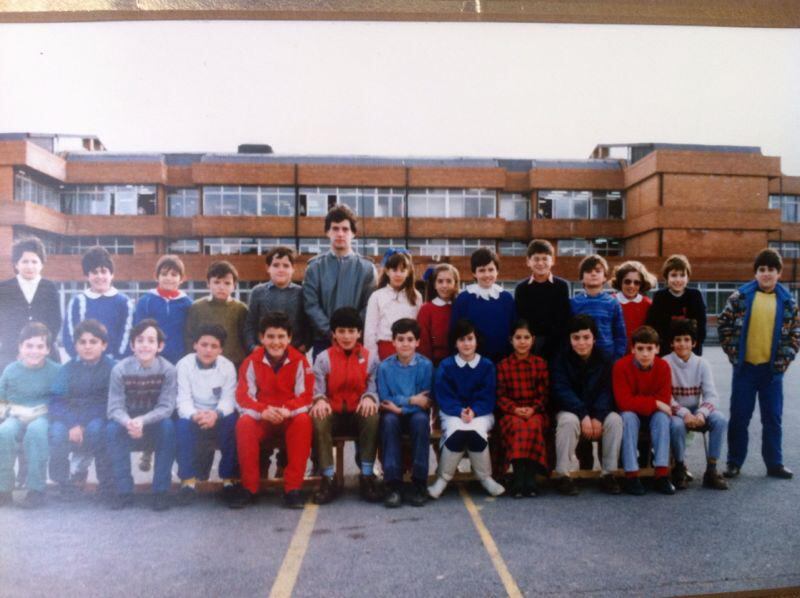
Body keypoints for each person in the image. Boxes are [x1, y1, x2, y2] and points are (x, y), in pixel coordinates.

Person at [718, 248, 800, 480]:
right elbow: (724, 325)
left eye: (771, 270)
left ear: (779, 273)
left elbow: (795, 334)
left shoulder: (788, 302)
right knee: (740, 416)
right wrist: (734, 355)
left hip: (772, 372)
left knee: (772, 417)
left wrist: (783, 362)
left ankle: (774, 463)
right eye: (761, 270)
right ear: (755, 273)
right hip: (745, 369)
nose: (766, 274)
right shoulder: (740, 297)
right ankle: (734, 462)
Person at [232, 312, 314, 509]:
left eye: (280, 337)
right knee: (244, 423)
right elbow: (242, 397)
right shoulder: (251, 361)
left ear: (289, 338)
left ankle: (293, 489)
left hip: (288, 417)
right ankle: (249, 488)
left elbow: (307, 396)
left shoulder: (300, 360)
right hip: (263, 418)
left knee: (303, 421)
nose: (275, 342)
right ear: (261, 338)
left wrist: (288, 410)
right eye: (270, 337)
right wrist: (263, 411)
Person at [310, 307, 381, 505]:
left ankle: (367, 475)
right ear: (333, 333)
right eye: (341, 331)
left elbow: (374, 387)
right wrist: (320, 400)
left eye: (351, 331)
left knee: (372, 414)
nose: (347, 336)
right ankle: (328, 477)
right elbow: (317, 390)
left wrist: (369, 397)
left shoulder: (370, 358)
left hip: (357, 414)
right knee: (318, 415)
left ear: (359, 333)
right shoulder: (323, 358)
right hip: (334, 414)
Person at [428, 319, 504, 498]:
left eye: (470, 338)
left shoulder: (486, 365)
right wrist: (459, 411)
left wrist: (474, 411)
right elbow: (443, 395)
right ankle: (442, 479)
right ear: (455, 343)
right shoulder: (446, 366)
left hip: (481, 413)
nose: (467, 343)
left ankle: (485, 478)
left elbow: (488, 395)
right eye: (462, 339)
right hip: (453, 412)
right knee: (458, 431)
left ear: (477, 341)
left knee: (475, 431)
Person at [106, 319, 177, 511]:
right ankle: (123, 491)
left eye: (151, 340)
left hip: (154, 422)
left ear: (159, 346)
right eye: (140, 340)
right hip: (127, 422)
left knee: (168, 427)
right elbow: (114, 407)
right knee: (112, 429)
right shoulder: (120, 369)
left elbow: (166, 407)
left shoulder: (168, 370)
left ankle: (160, 491)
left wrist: (142, 421)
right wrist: (129, 422)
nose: (145, 345)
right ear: (132, 345)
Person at [551, 315, 623, 496]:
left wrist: (598, 416)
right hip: (571, 410)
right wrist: (583, 414)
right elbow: (561, 390)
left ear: (594, 339)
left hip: (597, 410)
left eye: (586, 337)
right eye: (576, 338)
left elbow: (608, 391)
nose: (581, 342)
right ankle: (563, 475)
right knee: (568, 421)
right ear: (569, 339)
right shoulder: (560, 359)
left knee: (614, 420)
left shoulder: (605, 359)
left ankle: (609, 474)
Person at [48, 320, 115, 500]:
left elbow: (111, 401)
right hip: (70, 418)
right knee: (56, 432)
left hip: (98, 416)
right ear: (75, 345)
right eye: (82, 342)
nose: (87, 347)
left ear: (104, 345)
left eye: (93, 342)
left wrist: (84, 423)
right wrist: (72, 424)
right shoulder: (67, 369)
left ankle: (106, 483)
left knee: (97, 429)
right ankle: (63, 482)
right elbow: (56, 401)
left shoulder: (112, 368)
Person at [175, 324, 239, 506]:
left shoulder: (227, 367)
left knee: (233, 421)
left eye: (214, 346)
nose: (208, 350)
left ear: (221, 349)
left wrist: (215, 414)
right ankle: (188, 482)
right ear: (195, 345)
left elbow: (228, 400)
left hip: (217, 416)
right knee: (180, 425)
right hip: (194, 415)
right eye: (204, 344)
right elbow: (183, 400)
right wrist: (195, 415)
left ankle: (229, 481)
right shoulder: (184, 365)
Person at [303, 204, 377, 359]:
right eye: (335, 229)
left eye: (345, 229)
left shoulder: (367, 268)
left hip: (355, 342)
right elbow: (311, 305)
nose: (340, 234)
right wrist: (332, 332)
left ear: (353, 233)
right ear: (327, 232)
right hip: (324, 341)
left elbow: (369, 306)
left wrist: (349, 333)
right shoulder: (314, 267)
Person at [0, 322, 61, 508]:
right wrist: (7, 412)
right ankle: (4, 488)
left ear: (48, 349)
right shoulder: (11, 370)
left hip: (43, 415)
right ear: (20, 347)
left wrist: (45, 411)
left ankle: (36, 488)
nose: (34, 351)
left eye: (40, 346)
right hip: (16, 414)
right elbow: (2, 399)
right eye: (29, 346)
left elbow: (61, 400)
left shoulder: (56, 371)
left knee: (36, 431)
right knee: (4, 432)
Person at [663, 319, 728, 490]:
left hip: (697, 410)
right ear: (671, 343)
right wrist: (685, 414)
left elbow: (711, 396)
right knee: (676, 426)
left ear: (694, 343)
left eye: (686, 340)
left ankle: (712, 470)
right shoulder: (664, 363)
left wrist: (701, 414)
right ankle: (679, 467)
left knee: (720, 420)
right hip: (676, 412)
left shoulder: (702, 363)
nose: (682, 344)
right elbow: (666, 398)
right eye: (677, 340)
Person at [377, 318, 434, 508]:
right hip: (392, 414)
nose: (405, 344)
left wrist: (401, 407)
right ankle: (393, 484)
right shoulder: (384, 367)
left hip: (414, 414)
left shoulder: (425, 366)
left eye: (410, 339)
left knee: (420, 421)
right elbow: (385, 398)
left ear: (418, 342)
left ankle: (419, 483)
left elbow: (424, 401)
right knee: (389, 422)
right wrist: (410, 400)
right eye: (400, 339)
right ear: (393, 342)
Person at [613, 325, 674, 496]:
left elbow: (664, 401)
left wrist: (655, 404)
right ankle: (631, 475)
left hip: (653, 414)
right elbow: (623, 402)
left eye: (650, 348)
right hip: (631, 413)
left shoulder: (663, 367)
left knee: (662, 418)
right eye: (640, 348)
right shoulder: (620, 366)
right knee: (628, 418)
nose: (645, 354)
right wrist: (655, 403)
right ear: (632, 349)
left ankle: (661, 474)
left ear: (658, 349)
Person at [495, 319, 549, 498]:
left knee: (533, 424)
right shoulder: (503, 365)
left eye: (526, 337)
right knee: (518, 425)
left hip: (535, 412)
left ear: (533, 339)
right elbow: (500, 395)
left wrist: (533, 408)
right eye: (518, 337)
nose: (522, 341)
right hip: (512, 413)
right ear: (511, 340)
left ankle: (530, 477)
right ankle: (518, 477)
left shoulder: (540, 364)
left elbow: (544, 395)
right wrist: (514, 409)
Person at [0, 236, 61, 371]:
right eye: (25, 261)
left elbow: (55, 321)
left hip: (45, 353)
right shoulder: (4, 289)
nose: (30, 266)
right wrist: (21, 352)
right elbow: (3, 324)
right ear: (16, 264)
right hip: (12, 354)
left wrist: (41, 350)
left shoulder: (50, 287)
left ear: (42, 264)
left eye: (34, 261)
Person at [62, 246, 134, 360]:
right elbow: (69, 336)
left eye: (104, 271)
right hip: (84, 365)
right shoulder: (77, 302)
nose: (100, 276)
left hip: (115, 365)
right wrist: (82, 357)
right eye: (94, 272)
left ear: (112, 274)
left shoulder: (124, 303)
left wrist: (115, 360)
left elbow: (128, 335)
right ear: (87, 276)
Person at [451, 247, 516, 364]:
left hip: (503, 361)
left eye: (491, 270)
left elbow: (513, 330)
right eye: (482, 270)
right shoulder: (463, 299)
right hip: (471, 361)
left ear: (497, 271)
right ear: (474, 273)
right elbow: (455, 332)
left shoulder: (506, 298)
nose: (487, 274)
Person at [245, 246, 310, 354]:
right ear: (268, 268)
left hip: (294, 353)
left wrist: (305, 346)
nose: (281, 269)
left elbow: (308, 324)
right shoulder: (258, 292)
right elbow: (250, 324)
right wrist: (253, 347)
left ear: (293, 268)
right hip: (264, 352)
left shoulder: (302, 293)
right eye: (276, 265)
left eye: (286, 265)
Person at [185, 260, 248, 369]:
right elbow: (189, 337)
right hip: (204, 364)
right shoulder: (197, 307)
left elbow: (246, 338)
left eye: (227, 283)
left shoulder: (241, 309)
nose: (221, 287)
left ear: (234, 286)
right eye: (217, 282)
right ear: (208, 284)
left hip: (235, 364)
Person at [513, 239, 571, 360]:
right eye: (536, 259)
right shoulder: (521, 288)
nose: (540, 263)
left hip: (556, 345)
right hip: (530, 346)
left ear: (553, 261)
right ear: (528, 261)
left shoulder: (562, 286)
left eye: (545, 258)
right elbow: (521, 319)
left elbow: (563, 319)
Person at [132, 254, 192, 364]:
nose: (169, 278)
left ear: (182, 278)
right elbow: (138, 331)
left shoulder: (187, 303)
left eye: (174, 275)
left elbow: (189, 333)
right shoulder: (145, 301)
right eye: (164, 274)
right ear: (156, 276)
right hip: (151, 358)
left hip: (179, 359)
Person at [364, 251, 422, 361]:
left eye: (402, 270)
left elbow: (417, 328)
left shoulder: (416, 296)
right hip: (385, 349)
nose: (398, 274)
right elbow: (370, 333)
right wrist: (373, 359)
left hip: (408, 349)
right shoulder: (377, 296)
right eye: (394, 270)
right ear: (387, 271)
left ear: (408, 272)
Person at [646, 254, 706, 356]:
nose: (678, 280)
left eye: (682, 275)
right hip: (666, 350)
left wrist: (695, 345)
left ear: (688, 277)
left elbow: (701, 325)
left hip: (690, 350)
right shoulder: (660, 297)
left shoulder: (695, 296)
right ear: (666, 277)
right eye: (673, 275)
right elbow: (654, 326)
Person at [570, 254, 627, 361]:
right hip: (580, 359)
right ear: (581, 277)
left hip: (606, 359)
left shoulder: (613, 303)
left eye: (598, 271)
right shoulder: (573, 302)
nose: (593, 274)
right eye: (588, 271)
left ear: (605, 276)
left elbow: (620, 336)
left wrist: (616, 359)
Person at [417, 263, 459, 366]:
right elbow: (423, 343)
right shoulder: (426, 309)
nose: (444, 285)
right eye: (440, 281)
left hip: (458, 363)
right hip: (434, 364)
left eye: (449, 281)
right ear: (434, 285)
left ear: (455, 284)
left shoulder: (459, 307)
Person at [611, 260, 656, 351]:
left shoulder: (648, 304)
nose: (632, 286)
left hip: (640, 355)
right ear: (620, 282)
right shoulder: (610, 302)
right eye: (627, 281)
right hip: (615, 354)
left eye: (636, 282)